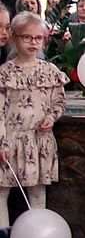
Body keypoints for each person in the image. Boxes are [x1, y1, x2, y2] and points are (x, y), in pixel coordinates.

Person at [0, 13, 62, 222]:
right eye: (27, 37)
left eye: (38, 38)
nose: (33, 42)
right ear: (13, 38)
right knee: (2, 191)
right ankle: (3, 237)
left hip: (38, 141)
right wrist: (2, 143)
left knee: (37, 191)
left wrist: (51, 117)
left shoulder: (50, 71)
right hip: (10, 139)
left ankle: (37, 235)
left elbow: (58, 101)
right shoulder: (4, 73)